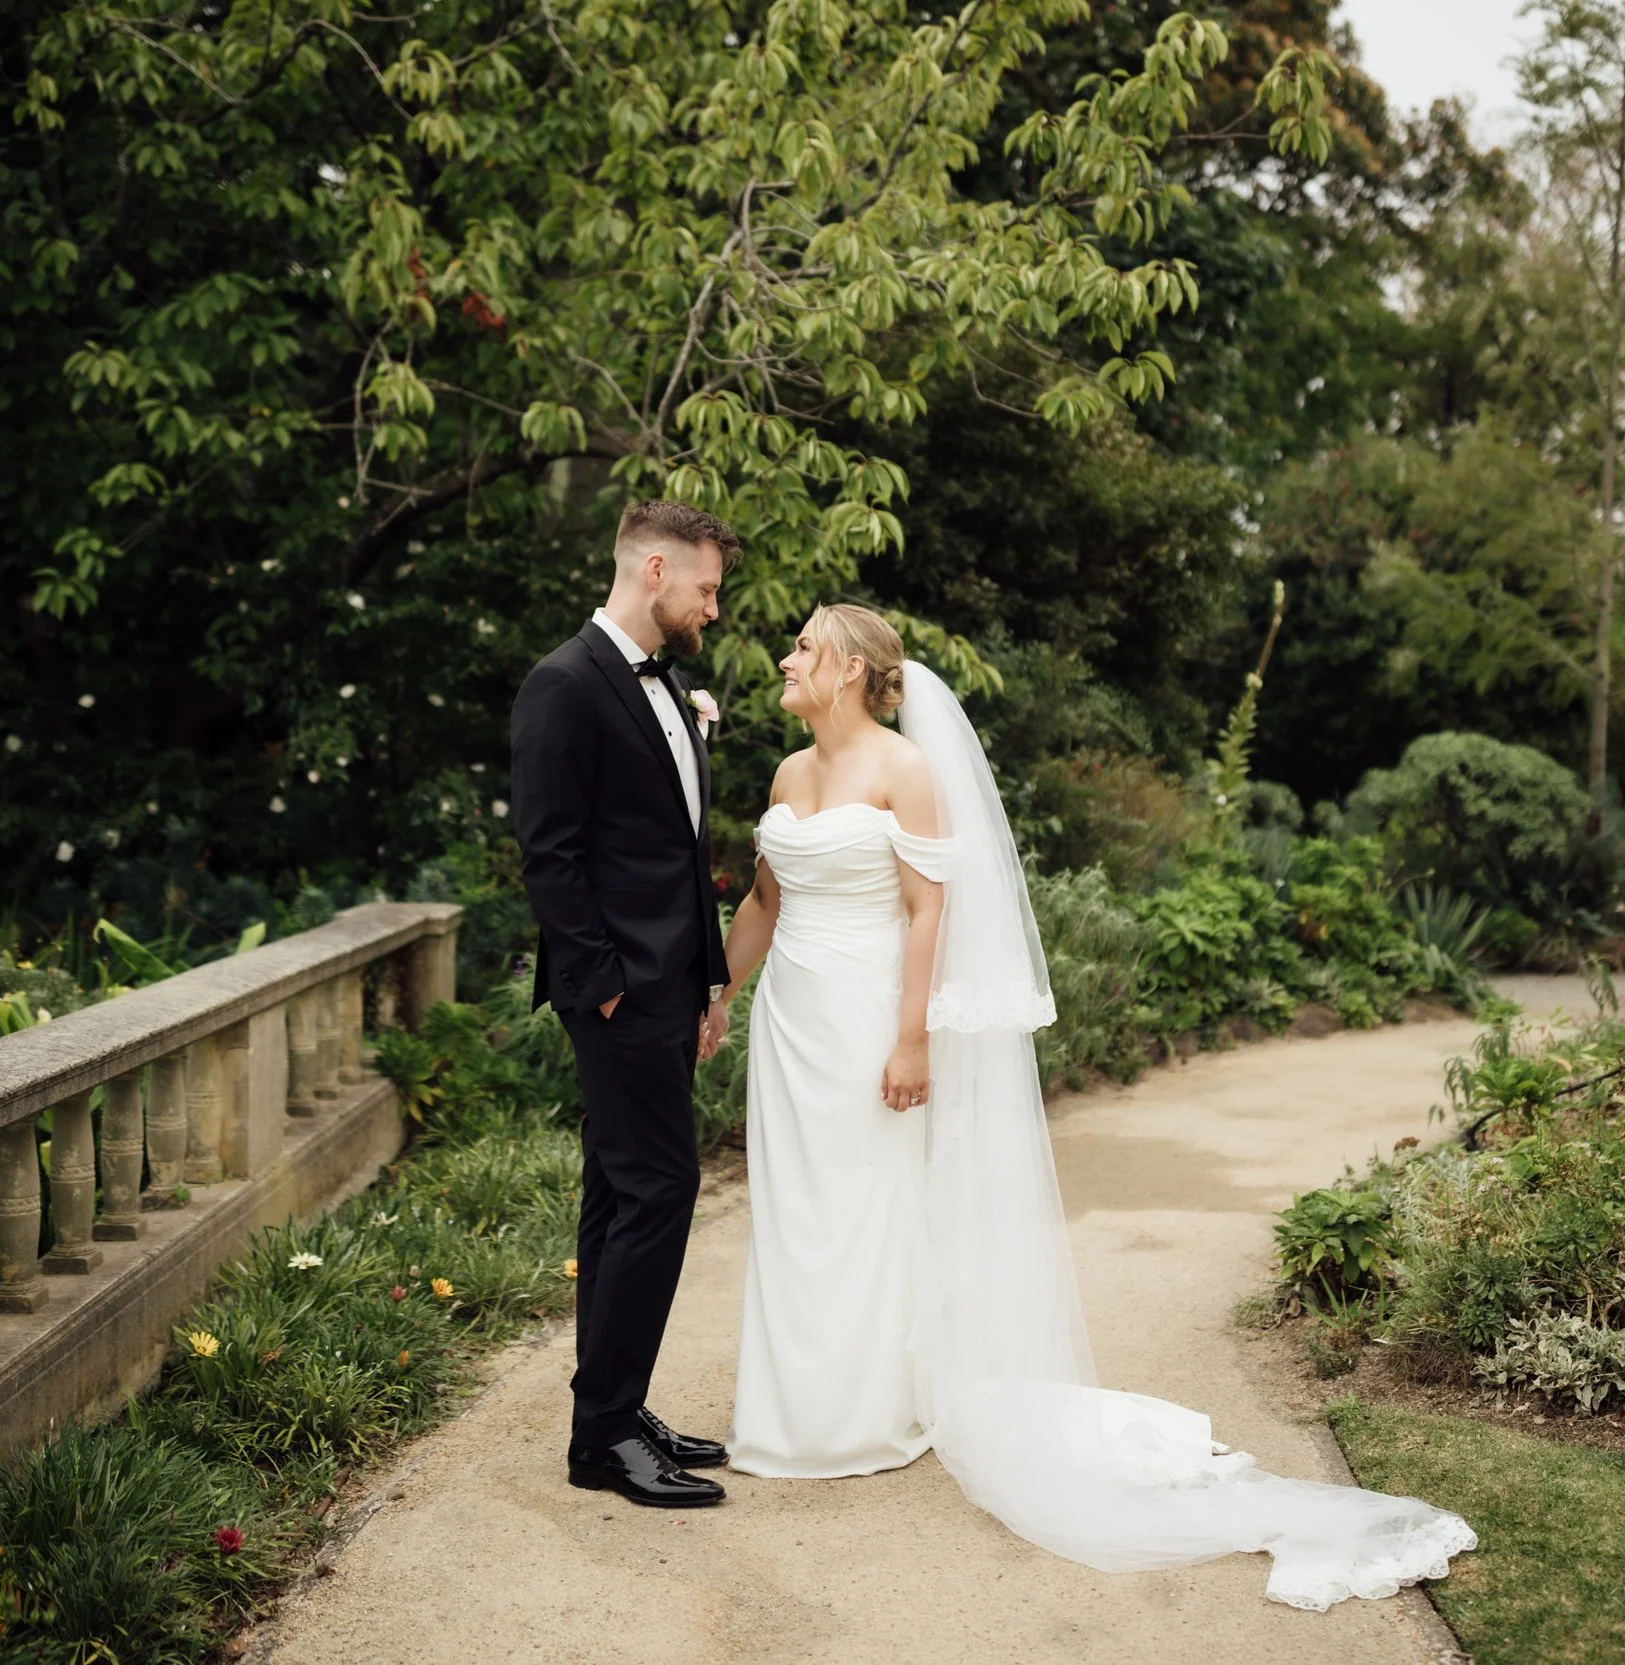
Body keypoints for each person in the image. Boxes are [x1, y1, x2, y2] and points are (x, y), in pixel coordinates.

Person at [709, 602, 1480, 1608]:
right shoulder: (786, 776)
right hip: (790, 1023)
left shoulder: (904, 770)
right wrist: (720, 990)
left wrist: (910, 1039)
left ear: (853, 669)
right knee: (796, 1211)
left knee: (866, 1207)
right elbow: (766, 900)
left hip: (865, 1020)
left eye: (804, 647)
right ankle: (788, 1408)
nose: (786, 658)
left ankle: (864, 1412)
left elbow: (928, 908)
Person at [508, 500, 737, 1509]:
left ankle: (611, 1409)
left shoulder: (671, 684)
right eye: (706, 588)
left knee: (617, 1193)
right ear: (655, 571)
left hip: (668, 982)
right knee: (659, 1192)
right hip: (616, 993)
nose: (712, 609)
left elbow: (678, 854)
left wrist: (712, 976)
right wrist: (602, 987)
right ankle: (601, 1436)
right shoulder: (563, 684)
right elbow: (548, 856)